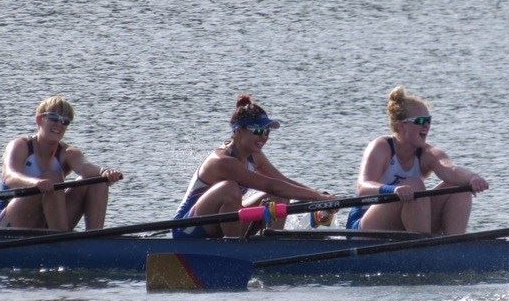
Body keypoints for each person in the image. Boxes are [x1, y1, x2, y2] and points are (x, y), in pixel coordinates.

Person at [173, 94, 330, 238]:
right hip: (187, 229)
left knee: (280, 197)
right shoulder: (223, 161)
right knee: (230, 189)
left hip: (218, 223)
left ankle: (272, 247)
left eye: (267, 131)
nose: (263, 136)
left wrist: (320, 197)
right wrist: (317, 198)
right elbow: (271, 185)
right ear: (239, 131)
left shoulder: (255, 156)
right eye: (258, 130)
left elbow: (282, 182)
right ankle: (236, 248)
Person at [347, 86, 489, 234]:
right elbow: (363, 188)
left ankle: (455, 249)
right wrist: (393, 190)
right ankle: (423, 251)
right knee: (414, 184)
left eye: (428, 120)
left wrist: (473, 178)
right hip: (364, 224)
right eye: (420, 121)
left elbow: (450, 171)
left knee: (459, 188)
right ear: (402, 125)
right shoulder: (381, 147)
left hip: (407, 221)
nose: (426, 126)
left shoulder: (428, 153)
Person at [0, 96, 123, 231]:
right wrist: (35, 183)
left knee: (98, 181)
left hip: (47, 222)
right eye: (53, 118)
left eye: (65, 121)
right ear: (39, 119)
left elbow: (85, 167)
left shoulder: (68, 152)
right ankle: (61, 242)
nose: (59, 124)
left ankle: (95, 240)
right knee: (52, 178)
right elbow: (10, 177)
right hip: (8, 222)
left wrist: (104, 172)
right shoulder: (21, 145)